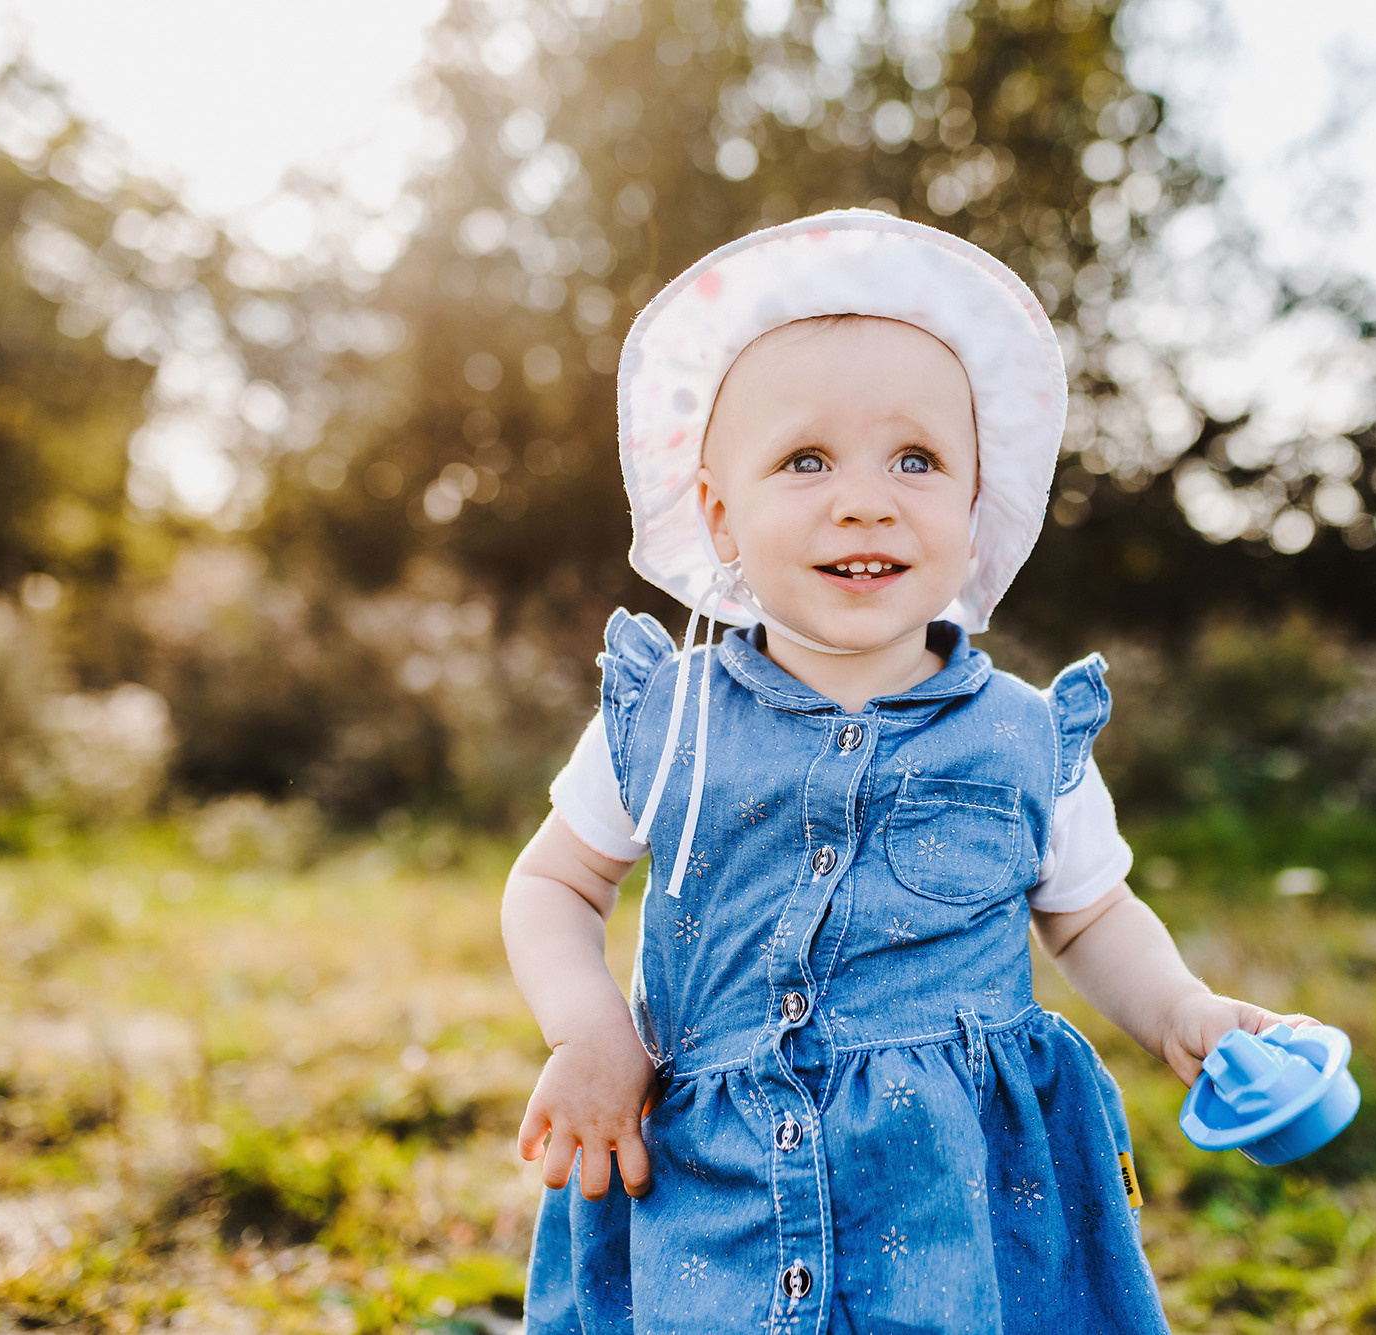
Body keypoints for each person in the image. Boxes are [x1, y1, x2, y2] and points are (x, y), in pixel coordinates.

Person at [502, 210, 1319, 1334]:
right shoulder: (669, 715)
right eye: (805, 460)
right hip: (712, 1184)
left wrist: (1178, 1009)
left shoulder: (1027, 738)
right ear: (718, 514)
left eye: (916, 459)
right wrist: (588, 1029)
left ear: (974, 507)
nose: (865, 498)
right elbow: (555, 884)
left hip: (955, 1195)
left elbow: (1088, 916)